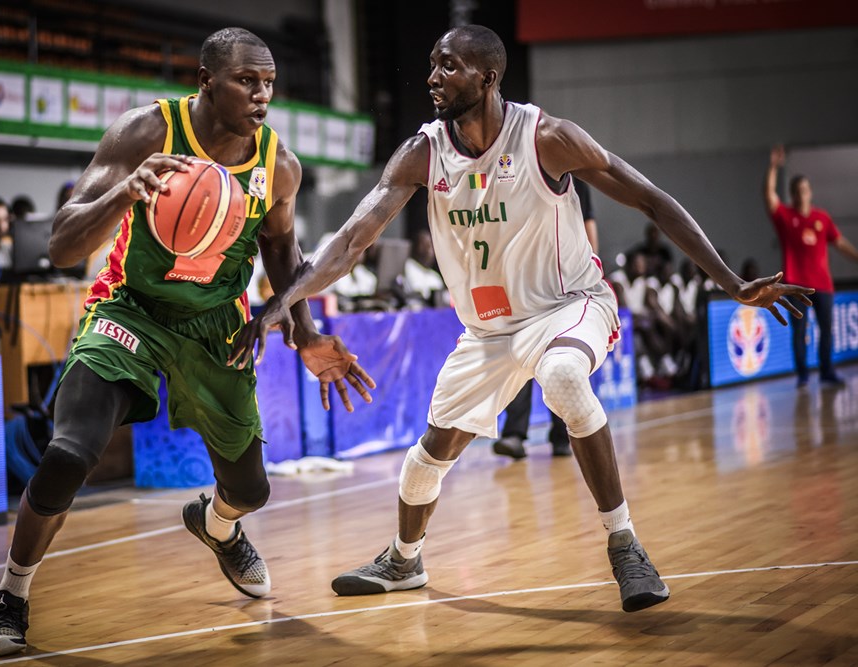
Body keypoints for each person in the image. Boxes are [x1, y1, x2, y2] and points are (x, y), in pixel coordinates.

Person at [231, 25, 812, 613]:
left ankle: (625, 544)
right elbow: (352, 240)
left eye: (448, 66)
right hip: (488, 333)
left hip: (569, 305)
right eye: (431, 64)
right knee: (425, 459)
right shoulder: (422, 153)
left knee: (562, 376)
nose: (432, 77)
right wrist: (280, 305)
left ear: (488, 76)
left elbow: (651, 200)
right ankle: (404, 559)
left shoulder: (547, 138)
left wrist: (731, 283)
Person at [0, 28, 373, 658]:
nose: (262, 93)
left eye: (269, 82)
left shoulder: (278, 164)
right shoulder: (146, 133)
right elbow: (60, 245)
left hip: (218, 325)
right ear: (206, 80)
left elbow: (282, 257)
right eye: (247, 80)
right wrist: (124, 192)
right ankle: (11, 595)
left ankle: (217, 527)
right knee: (69, 453)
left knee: (250, 493)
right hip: (129, 307)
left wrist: (306, 331)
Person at [493, 177, 598, 459]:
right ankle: (514, 435)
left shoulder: (578, 184)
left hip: (564, 285)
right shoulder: (518, 175)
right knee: (520, 357)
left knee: (561, 359)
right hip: (522, 284)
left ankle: (562, 436)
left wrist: (591, 275)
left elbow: (588, 227)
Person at [764, 145, 858, 388]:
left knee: (827, 330)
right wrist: (773, 166)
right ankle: (803, 375)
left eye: (804, 189)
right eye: (796, 191)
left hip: (822, 285)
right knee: (799, 331)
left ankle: (827, 371)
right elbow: (769, 196)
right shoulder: (785, 217)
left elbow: (839, 243)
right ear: (793, 194)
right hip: (795, 285)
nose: (801, 194)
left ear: (810, 192)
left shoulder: (822, 218)